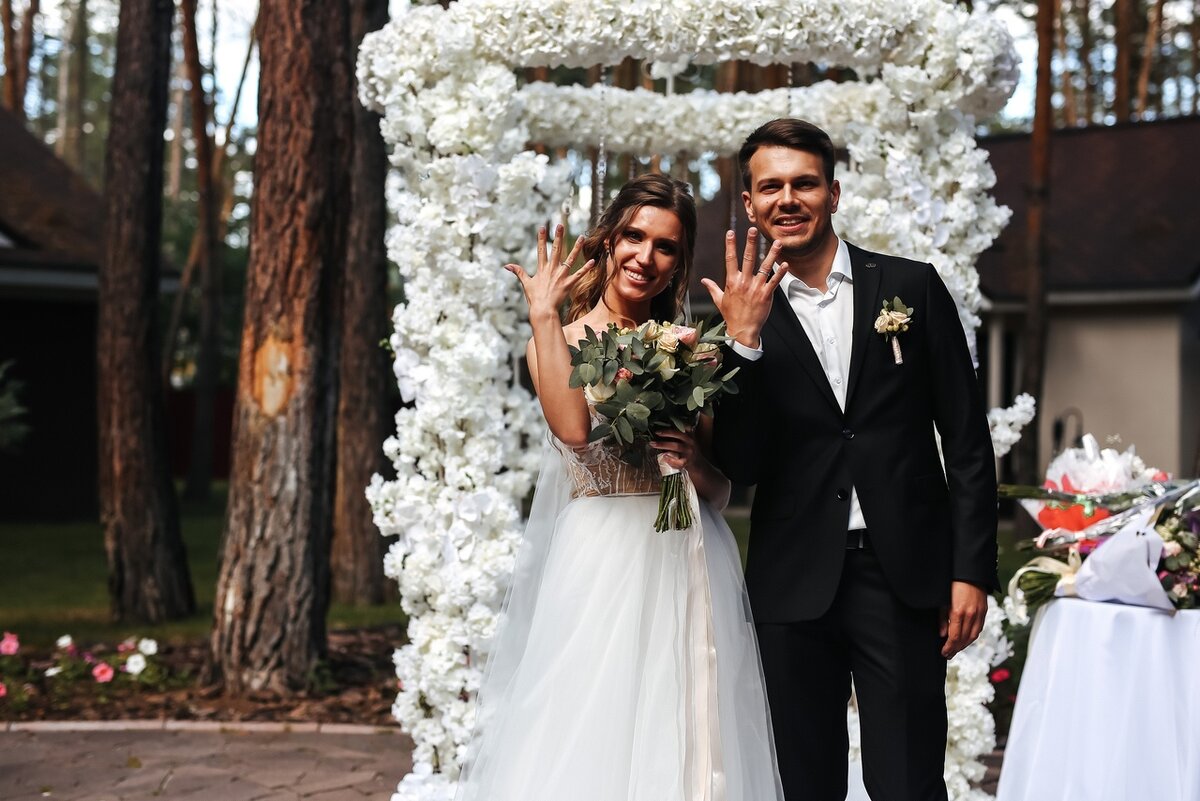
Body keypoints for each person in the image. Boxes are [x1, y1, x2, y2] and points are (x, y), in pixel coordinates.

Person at [455, 173, 784, 801]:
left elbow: (720, 494)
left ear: (677, 263)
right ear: (608, 241)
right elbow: (575, 431)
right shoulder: (557, 339)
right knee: (594, 721)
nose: (645, 257)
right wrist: (544, 313)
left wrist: (692, 462)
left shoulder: (692, 350)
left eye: (665, 247)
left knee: (685, 722)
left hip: (690, 551)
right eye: (634, 237)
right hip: (602, 556)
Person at [704, 119, 998, 801]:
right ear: (749, 203)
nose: (787, 198)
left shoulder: (911, 288)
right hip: (791, 582)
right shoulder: (737, 318)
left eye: (804, 183)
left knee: (908, 781)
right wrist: (743, 344)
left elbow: (966, 441)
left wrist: (970, 570)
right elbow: (742, 464)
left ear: (833, 193)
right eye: (770, 187)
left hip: (901, 577)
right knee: (802, 784)